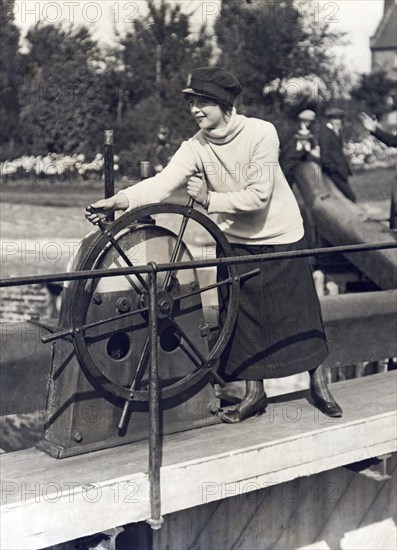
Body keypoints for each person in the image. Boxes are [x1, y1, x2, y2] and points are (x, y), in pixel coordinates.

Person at [85, 67, 342, 422]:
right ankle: (254, 395)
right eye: (192, 102)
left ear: (224, 103)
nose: (195, 109)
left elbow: (259, 197)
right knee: (242, 319)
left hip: (282, 236)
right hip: (235, 241)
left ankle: (320, 386)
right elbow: (161, 184)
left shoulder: (261, 134)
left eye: (203, 102)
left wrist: (209, 200)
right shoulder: (195, 147)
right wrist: (118, 201)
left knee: (300, 314)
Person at [319, 107, 356, 202]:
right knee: (350, 197)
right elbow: (325, 155)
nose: (339, 121)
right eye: (335, 119)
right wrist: (334, 169)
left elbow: (339, 152)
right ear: (330, 120)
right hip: (334, 172)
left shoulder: (336, 132)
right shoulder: (325, 133)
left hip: (340, 171)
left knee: (345, 198)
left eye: (340, 119)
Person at [279, 109, 320, 183]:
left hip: (300, 158)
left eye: (310, 121)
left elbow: (311, 145)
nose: (309, 123)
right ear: (303, 120)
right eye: (308, 121)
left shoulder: (310, 130)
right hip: (291, 157)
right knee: (288, 175)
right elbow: (289, 146)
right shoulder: (294, 129)